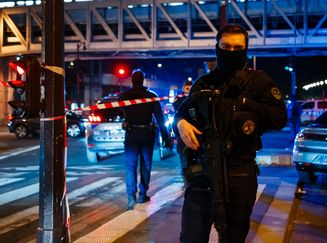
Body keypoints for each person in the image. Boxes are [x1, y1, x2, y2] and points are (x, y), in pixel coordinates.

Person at [174, 24, 287, 242]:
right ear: (217, 47)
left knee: (233, 238)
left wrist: (248, 104)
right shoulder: (204, 82)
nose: (231, 52)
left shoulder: (258, 81)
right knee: (191, 237)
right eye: (226, 46)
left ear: (246, 49)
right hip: (203, 172)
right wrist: (179, 123)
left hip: (239, 173)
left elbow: (279, 117)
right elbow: (182, 111)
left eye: (238, 47)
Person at [118, 69, 172, 210]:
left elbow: (119, 107)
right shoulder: (151, 96)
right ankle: (143, 194)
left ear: (132, 80)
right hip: (147, 134)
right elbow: (160, 119)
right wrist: (166, 138)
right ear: (143, 80)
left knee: (130, 166)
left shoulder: (124, 96)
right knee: (145, 165)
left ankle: (131, 197)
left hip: (131, 133)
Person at [173, 80, 193, 183]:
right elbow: (176, 108)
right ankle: (186, 182)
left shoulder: (195, 98)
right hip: (181, 135)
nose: (188, 89)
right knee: (184, 159)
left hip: (193, 132)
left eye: (190, 87)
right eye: (186, 87)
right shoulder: (179, 100)